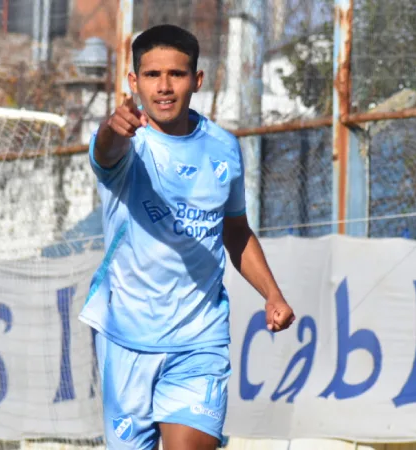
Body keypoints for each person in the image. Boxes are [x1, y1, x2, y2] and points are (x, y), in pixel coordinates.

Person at [79, 24, 295, 450]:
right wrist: (110, 130)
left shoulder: (224, 149)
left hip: (199, 336)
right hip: (125, 337)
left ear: (196, 80)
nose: (163, 86)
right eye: (151, 75)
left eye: (176, 74)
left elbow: (235, 230)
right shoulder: (127, 143)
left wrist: (272, 293)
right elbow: (104, 152)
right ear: (133, 82)